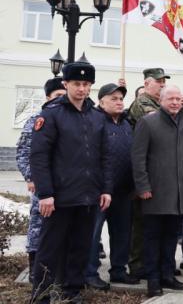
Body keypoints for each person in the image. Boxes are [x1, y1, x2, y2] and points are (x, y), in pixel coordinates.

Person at [29, 61, 113, 304]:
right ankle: (42, 295)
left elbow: (105, 156)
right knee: (49, 250)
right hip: (58, 198)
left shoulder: (97, 117)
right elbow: (39, 156)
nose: (82, 89)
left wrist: (106, 188)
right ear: (66, 84)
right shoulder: (51, 114)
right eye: (77, 83)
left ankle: (72, 292)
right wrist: (45, 193)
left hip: (88, 196)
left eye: (86, 84)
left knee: (80, 248)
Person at [132, 85, 183, 297]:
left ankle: (167, 275)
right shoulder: (148, 122)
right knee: (153, 238)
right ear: (161, 100)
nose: (174, 102)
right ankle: (153, 280)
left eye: (178, 99)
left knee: (172, 237)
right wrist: (142, 186)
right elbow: (138, 158)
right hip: (155, 193)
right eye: (170, 98)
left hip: (180, 194)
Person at [85, 83, 140, 290]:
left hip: (123, 190)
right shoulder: (95, 122)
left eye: (120, 99)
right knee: (93, 233)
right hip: (100, 191)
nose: (119, 102)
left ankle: (118, 270)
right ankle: (89, 273)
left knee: (122, 233)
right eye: (113, 99)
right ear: (101, 102)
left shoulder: (126, 124)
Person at [16, 77, 65, 282]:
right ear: (47, 97)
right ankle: (35, 271)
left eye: (64, 96)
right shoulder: (37, 118)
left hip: (63, 185)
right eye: (57, 96)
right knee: (38, 228)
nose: (61, 100)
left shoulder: (69, 118)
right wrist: (31, 177)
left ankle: (57, 273)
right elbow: (24, 152)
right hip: (42, 185)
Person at [127, 67, 170, 279]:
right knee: (140, 223)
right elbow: (160, 123)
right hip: (142, 171)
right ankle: (136, 265)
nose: (162, 85)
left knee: (154, 224)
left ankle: (154, 262)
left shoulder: (156, 104)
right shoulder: (143, 103)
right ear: (146, 84)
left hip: (157, 170)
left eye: (164, 82)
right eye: (158, 82)